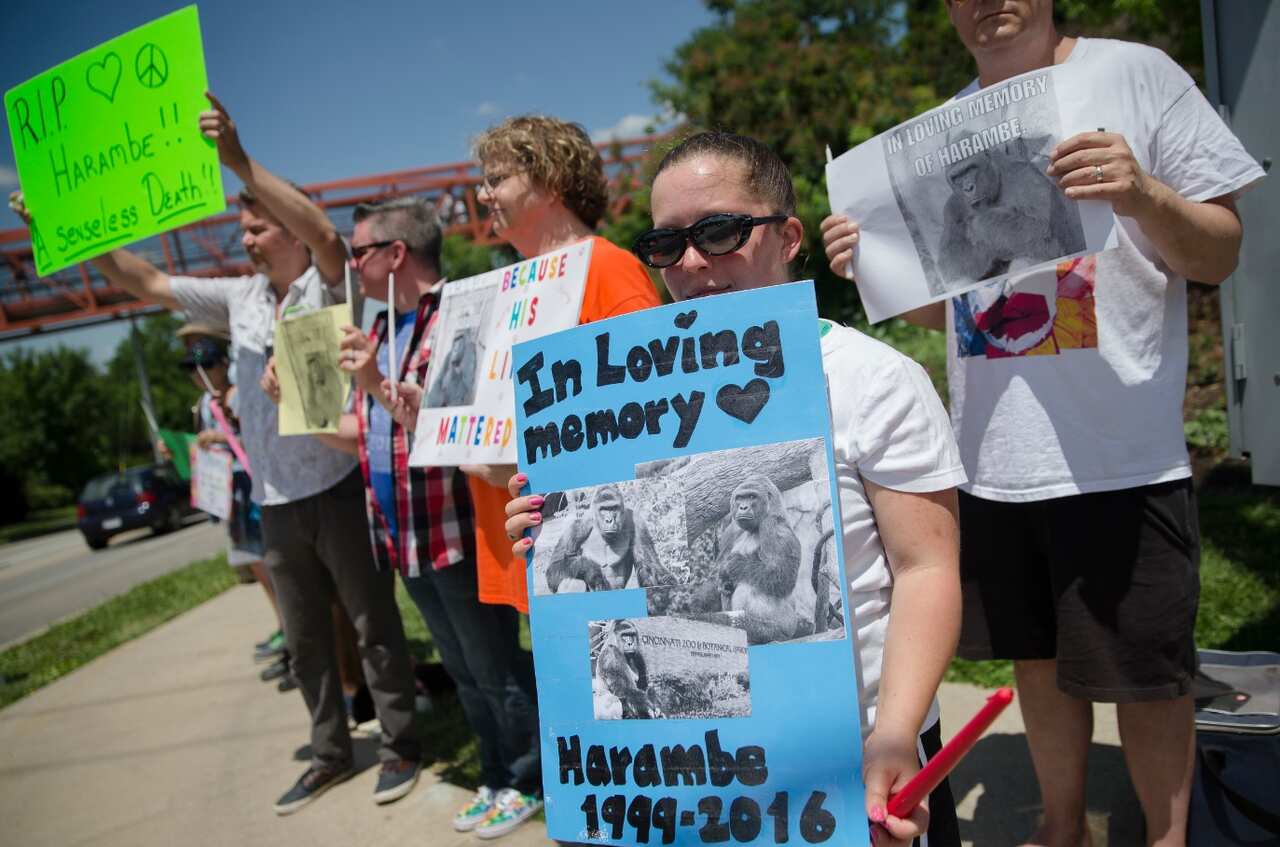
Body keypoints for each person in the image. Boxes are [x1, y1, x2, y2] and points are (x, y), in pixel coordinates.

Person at [821, 3, 1264, 844]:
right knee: (1040, 661)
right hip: (992, 459)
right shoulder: (940, 134)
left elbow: (1219, 252)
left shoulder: (1136, 75)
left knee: (1151, 677)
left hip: (1123, 456)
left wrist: (1142, 193)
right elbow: (959, 316)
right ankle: (1064, 829)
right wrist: (871, 266)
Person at [505, 131, 967, 847]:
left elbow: (927, 567)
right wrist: (545, 519)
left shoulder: (872, 379)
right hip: (694, 774)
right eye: (665, 245)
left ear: (788, 236)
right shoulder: (621, 399)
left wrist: (897, 732)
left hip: (855, 750)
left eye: (720, 232)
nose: (692, 262)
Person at [11, 93, 422, 815]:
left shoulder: (329, 282)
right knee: (303, 642)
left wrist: (236, 159)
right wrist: (67, 234)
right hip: (275, 500)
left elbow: (325, 229)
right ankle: (330, 752)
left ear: (289, 232)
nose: (248, 238)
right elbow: (145, 281)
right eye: (243, 228)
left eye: (258, 226)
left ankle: (399, 743)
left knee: (370, 622)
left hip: (334, 483)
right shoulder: (237, 299)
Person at [383, 115, 661, 837]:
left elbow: (654, 413)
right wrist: (428, 418)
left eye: (498, 178)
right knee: (580, 715)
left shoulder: (609, 269)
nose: (484, 195)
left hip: (598, 548)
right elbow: (487, 429)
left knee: (631, 717)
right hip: (524, 538)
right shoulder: (497, 289)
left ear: (551, 177)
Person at [313, 196, 544, 840]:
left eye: (358, 251)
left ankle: (528, 775)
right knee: (466, 675)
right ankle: (498, 774)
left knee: (495, 669)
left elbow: (457, 426)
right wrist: (303, 410)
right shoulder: (385, 328)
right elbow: (369, 428)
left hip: (457, 528)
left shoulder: (461, 315)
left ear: (395, 255)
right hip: (407, 535)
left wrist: (372, 388)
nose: (350, 263)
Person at [176, 326, 288, 683]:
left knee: (277, 566)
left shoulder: (240, 395)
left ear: (224, 364)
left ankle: (294, 642)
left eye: (206, 365)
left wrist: (222, 432)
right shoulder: (204, 405)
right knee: (258, 566)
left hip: (254, 485)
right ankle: (285, 633)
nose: (200, 375)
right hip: (229, 492)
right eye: (193, 369)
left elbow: (262, 431)